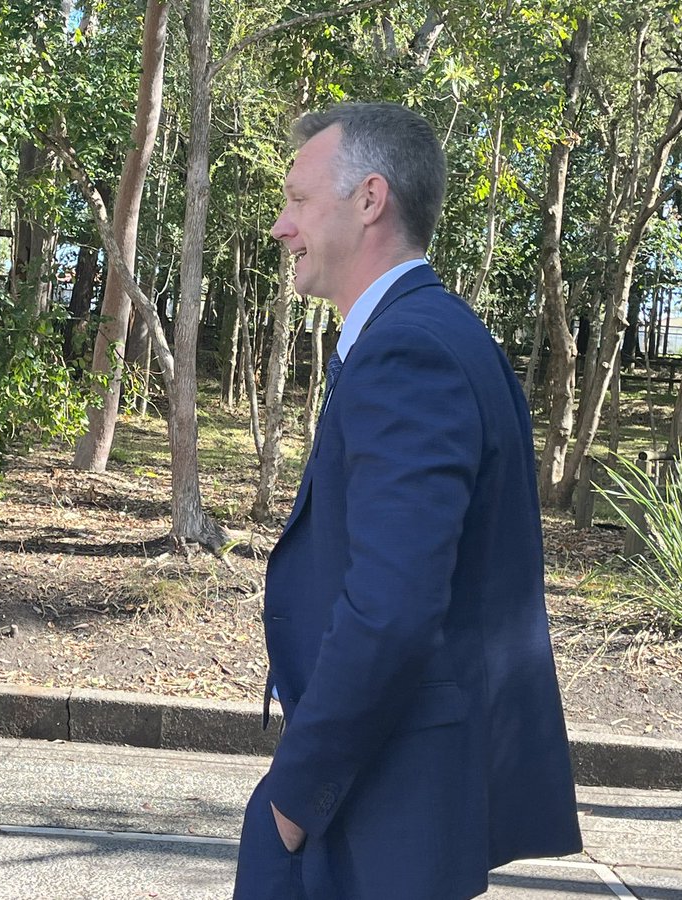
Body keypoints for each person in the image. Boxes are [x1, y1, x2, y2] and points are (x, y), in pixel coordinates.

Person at [233, 103, 581, 899]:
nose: (282, 226)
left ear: (370, 199)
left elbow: (392, 608)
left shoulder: (408, 350)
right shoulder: (440, 331)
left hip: (373, 801)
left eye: (297, 200)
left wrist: (293, 800)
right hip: (394, 793)